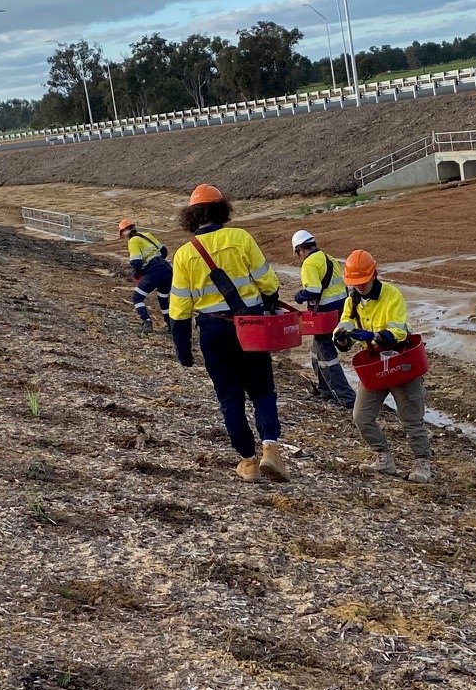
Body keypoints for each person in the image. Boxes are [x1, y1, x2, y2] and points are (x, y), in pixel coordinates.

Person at [168, 183, 288, 482]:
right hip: (251, 327)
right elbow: (267, 282)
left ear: (191, 216)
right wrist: (270, 299)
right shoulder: (240, 238)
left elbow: (179, 309)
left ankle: (248, 463)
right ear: (223, 209)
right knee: (262, 389)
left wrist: (183, 351)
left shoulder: (184, 254)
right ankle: (271, 449)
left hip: (213, 330)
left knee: (229, 396)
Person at [332, 250, 430, 482]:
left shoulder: (391, 295)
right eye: (355, 283)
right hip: (374, 365)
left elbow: (398, 330)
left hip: (399, 362)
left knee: (411, 420)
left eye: (363, 281)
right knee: (361, 416)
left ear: (373, 274)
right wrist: (341, 337)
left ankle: (422, 464)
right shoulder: (352, 301)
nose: (360, 286)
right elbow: (343, 324)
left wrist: (376, 336)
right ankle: (384, 459)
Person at [292, 228, 354, 409]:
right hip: (340, 312)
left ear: (300, 249)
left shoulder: (309, 263)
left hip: (325, 315)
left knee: (327, 357)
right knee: (316, 352)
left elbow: (313, 290)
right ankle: (324, 389)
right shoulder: (328, 258)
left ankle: (346, 398)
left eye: (298, 253)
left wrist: (299, 296)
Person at [118, 218, 174, 336]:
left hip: (154, 270)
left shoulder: (133, 241)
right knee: (163, 298)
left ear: (125, 231)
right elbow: (164, 251)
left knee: (137, 297)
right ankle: (170, 326)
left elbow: (136, 262)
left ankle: (147, 323)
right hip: (166, 269)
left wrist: (137, 273)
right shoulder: (146, 235)